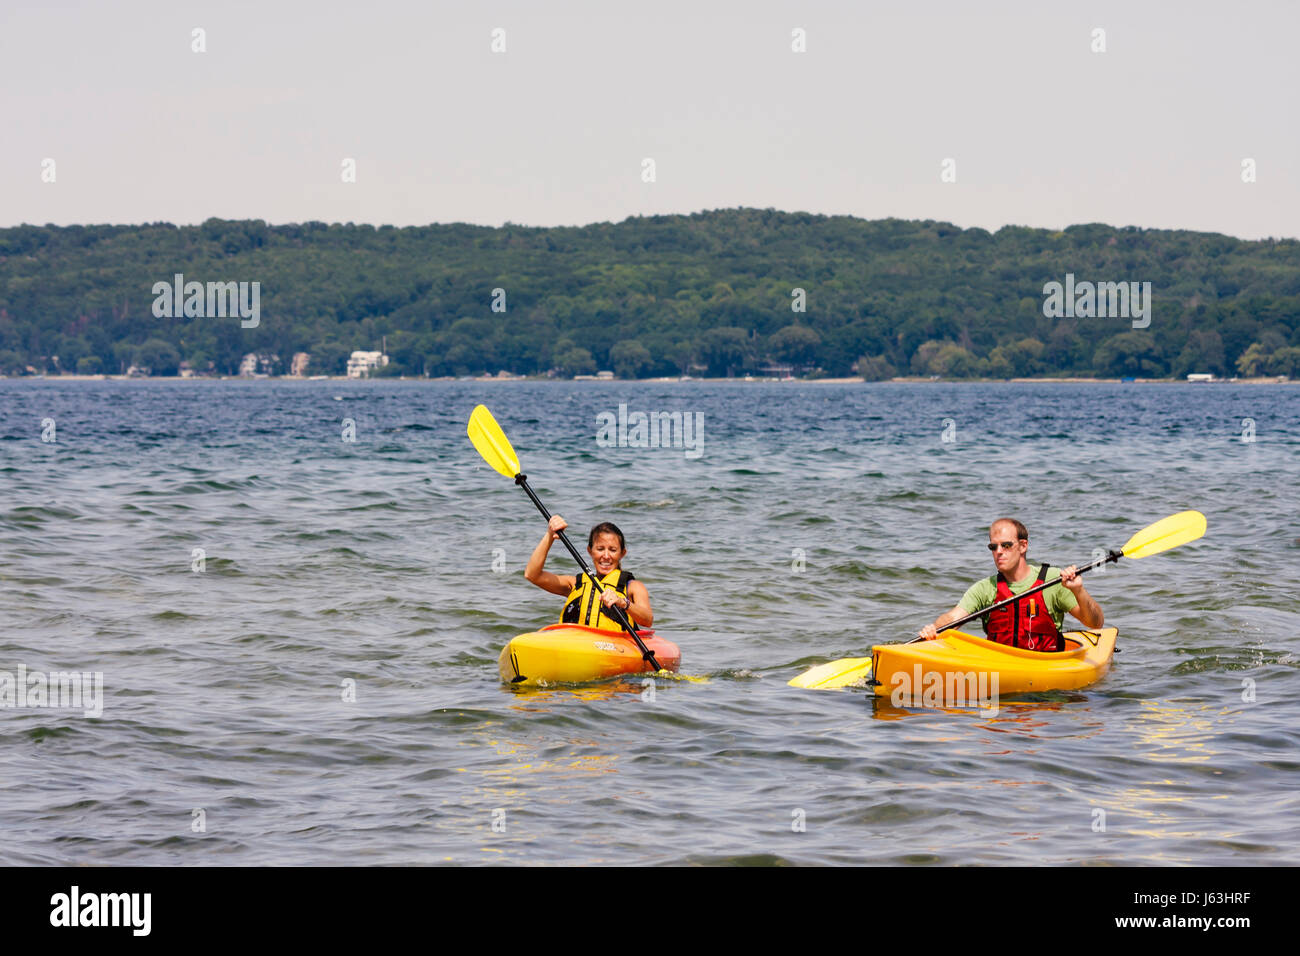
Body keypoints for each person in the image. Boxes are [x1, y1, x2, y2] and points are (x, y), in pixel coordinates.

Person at [918, 517, 1103, 651]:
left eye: (1006, 545)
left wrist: (1079, 590)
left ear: (1023, 546)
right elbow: (953, 618)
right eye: (993, 547)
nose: (998, 552)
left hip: (1045, 665)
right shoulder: (986, 588)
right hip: (1002, 664)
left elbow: (1095, 623)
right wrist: (934, 630)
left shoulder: (1052, 580)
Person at [524, 515, 653, 631]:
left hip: (615, 649)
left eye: (613, 550)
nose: (606, 556)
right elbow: (532, 574)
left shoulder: (633, 587)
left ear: (622, 553)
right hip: (580, 646)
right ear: (590, 551)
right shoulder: (575, 584)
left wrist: (623, 603)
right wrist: (549, 536)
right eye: (600, 549)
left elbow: (647, 620)